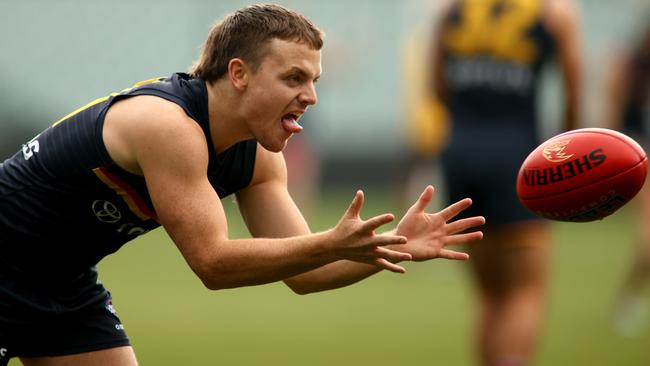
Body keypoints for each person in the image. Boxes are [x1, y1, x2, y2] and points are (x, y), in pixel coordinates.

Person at [0, 4, 486, 365]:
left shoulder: (259, 158)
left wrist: (393, 245)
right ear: (239, 74)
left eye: (314, 80)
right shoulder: (168, 125)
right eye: (294, 77)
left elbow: (305, 271)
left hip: (62, 281)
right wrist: (331, 243)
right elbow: (213, 263)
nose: (311, 96)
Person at [430, 0, 582, 365]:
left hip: (460, 152)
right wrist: (568, 153)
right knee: (525, 290)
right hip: (520, 158)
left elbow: (436, 87)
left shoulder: (450, 10)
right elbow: (574, 90)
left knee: (490, 295)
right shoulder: (555, 12)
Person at [605, 20, 650, 337]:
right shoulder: (631, 65)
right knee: (647, 246)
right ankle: (628, 300)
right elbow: (615, 117)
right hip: (639, 158)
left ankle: (627, 298)